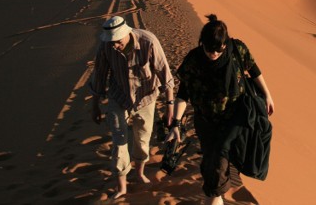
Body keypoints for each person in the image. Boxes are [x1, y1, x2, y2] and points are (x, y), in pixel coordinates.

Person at [166, 14, 275, 205]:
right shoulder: (194, 60)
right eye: (209, 49)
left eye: (219, 49)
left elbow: (254, 70)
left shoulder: (237, 49)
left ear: (225, 43)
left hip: (236, 120)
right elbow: (183, 93)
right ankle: (217, 190)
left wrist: (267, 95)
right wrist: (176, 124)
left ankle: (219, 185)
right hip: (207, 124)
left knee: (221, 163)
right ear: (202, 43)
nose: (214, 54)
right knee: (215, 166)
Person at [88, 16, 175, 199]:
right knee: (120, 142)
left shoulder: (148, 41)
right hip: (118, 97)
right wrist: (95, 105)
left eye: (118, 42)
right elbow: (100, 75)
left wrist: (170, 107)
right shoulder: (106, 46)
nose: (114, 46)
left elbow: (165, 75)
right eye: (111, 42)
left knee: (142, 139)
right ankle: (122, 187)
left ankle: (139, 173)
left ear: (127, 34)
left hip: (146, 99)